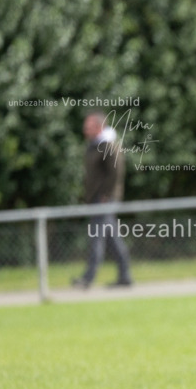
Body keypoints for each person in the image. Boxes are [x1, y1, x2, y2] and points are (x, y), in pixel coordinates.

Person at [73, 110, 132, 288]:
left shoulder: (107, 145)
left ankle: (88, 278)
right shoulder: (94, 145)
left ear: (99, 127)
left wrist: (106, 194)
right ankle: (125, 276)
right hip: (97, 199)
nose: (85, 130)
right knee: (112, 238)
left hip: (104, 200)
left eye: (88, 126)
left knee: (96, 237)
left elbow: (116, 172)